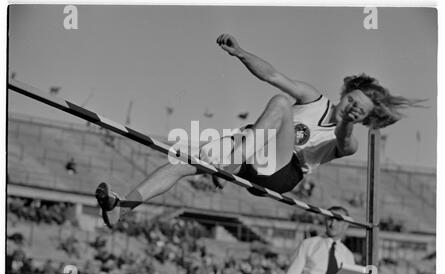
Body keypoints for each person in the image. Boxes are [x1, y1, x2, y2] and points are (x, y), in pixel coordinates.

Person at [95, 34, 424, 228]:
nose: (353, 108)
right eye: (353, 101)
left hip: (280, 171)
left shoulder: (347, 142)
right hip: (250, 147)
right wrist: (240, 54)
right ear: (346, 91)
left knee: (281, 104)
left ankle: (228, 161)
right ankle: (122, 208)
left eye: (360, 111)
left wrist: (349, 121)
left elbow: (344, 138)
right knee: (179, 165)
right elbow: (271, 74)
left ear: (365, 119)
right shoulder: (314, 98)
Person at [282, 206, 358, 274]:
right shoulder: (308, 244)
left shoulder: (348, 256)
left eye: (338, 220)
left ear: (346, 224)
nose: (333, 224)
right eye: (330, 219)